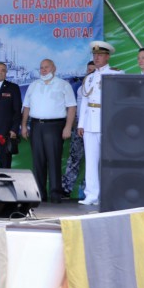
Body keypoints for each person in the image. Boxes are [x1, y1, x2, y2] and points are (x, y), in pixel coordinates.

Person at [21, 59, 76, 202]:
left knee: (54, 160)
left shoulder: (64, 85)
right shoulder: (33, 85)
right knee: (38, 161)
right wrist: (24, 125)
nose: (43, 70)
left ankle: (55, 195)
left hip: (55, 126)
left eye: (46, 67)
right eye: (41, 68)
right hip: (36, 125)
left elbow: (72, 107)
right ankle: (40, 194)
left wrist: (68, 127)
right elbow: (26, 107)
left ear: (54, 68)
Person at [77, 41, 124, 206]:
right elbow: (84, 101)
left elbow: (120, 101)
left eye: (100, 55)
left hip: (107, 123)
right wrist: (81, 124)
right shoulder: (89, 77)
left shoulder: (116, 74)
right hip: (90, 123)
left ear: (107, 57)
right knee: (91, 162)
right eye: (95, 55)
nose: (96, 58)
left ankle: (109, 194)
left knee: (108, 161)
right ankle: (91, 195)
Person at [63, 61, 95, 197]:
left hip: (95, 128)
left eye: (93, 70)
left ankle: (90, 189)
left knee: (95, 160)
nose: (90, 72)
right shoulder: (79, 86)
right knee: (74, 158)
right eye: (89, 70)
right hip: (79, 127)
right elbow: (72, 106)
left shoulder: (102, 86)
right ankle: (66, 189)